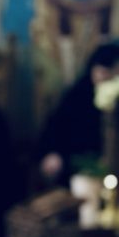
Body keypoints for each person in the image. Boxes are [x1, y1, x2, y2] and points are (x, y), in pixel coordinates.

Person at [37, 39, 119, 187]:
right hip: (76, 162)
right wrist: (54, 153)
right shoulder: (79, 94)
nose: (104, 77)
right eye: (101, 71)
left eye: (111, 73)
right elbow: (57, 127)